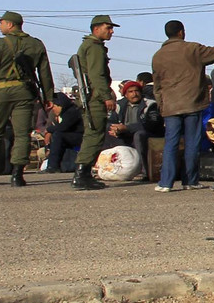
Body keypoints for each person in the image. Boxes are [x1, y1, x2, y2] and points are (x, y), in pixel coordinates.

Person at [0, 11, 54, 187]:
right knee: (22, 134)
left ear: (10, 25)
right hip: (25, 93)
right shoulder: (36, 45)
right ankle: (17, 175)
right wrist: (48, 96)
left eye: (1, 23)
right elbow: (44, 73)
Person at [151, 20, 214, 193]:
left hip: (170, 105)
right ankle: (190, 180)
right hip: (192, 103)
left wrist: (162, 105)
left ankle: (165, 183)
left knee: (171, 143)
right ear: (181, 32)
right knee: (192, 142)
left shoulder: (158, 56)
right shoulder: (192, 49)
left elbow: (157, 86)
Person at [71, 15, 118, 190]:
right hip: (95, 98)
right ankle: (81, 175)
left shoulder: (90, 46)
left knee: (94, 134)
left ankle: (83, 174)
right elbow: (97, 74)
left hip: (91, 96)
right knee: (94, 135)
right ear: (96, 29)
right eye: (108, 28)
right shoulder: (95, 47)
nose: (111, 31)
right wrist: (106, 96)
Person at [107, 80, 162, 179]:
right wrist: (115, 128)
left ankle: (143, 171)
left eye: (136, 91)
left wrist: (127, 128)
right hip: (126, 134)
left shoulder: (150, 105)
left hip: (148, 134)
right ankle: (110, 167)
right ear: (125, 95)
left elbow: (152, 124)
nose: (134, 94)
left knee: (139, 135)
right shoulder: (119, 105)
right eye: (130, 92)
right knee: (108, 131)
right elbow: (111, 121)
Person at [44, 92, 83, 174]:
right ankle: (53, 165)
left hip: (80, 137)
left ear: (60, 105)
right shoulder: (64, 113)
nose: (53, 109)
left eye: (54, 106)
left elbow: (63, 127)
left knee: (58, 135)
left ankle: (53, 166)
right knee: (57, 136)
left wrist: (49, 129)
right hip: (72, 136)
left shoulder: (72, 112)